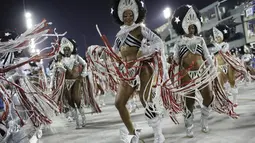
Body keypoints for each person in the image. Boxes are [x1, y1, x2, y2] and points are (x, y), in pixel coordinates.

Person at [170, 5, 237, 138]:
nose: (192, 28)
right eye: (189, 25)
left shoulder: (200, 40)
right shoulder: (179, 43)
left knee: (209, 97)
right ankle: (189, 125)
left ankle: (204, 119)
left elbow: (207, 56)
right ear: (182, 26)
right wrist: (172, 60)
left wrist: (212, 69)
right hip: (186, 76)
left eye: (194, 26)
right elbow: (176, 60)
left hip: (202, 74)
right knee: (189, 102)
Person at [110, 0, 167, 142]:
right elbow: (114, 52)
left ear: (135, 14)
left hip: (142, 68)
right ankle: (132, 133)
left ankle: (158, 133)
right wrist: (103, 54)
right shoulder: (119, 36)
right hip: (127, 72)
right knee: (119, 103)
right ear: (121, 17)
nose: (128, 18)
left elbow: (159, 42)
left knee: (146, 100)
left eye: (130, 15)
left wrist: (145, 51)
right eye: (125, 16)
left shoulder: (140, 29)